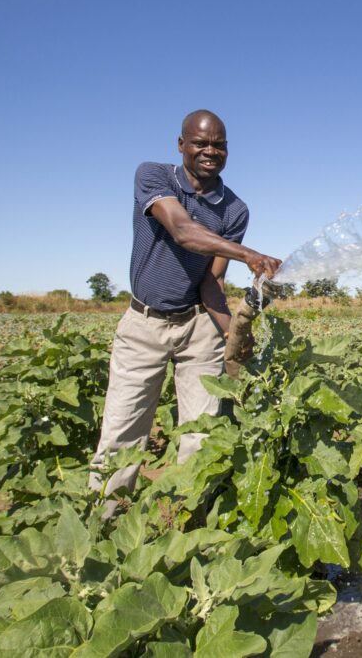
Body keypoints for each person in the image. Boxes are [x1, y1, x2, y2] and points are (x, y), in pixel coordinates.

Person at [88, 109, 281, 501]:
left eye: (219, 145)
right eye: (201, 142)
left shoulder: (235, 210)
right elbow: (182, 230)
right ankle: (102, 528)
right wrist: (250, 255)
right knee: (122, 434)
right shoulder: (154, 176)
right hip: (143, 324)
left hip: (197, 330)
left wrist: (234, 334)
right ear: (182, 145)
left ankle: (189, 524)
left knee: (202, 435)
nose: (210, 151)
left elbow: (211, 280)